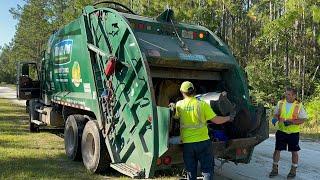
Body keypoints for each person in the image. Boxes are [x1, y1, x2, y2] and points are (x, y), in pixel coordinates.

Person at [169, 81, 235, 180]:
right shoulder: (202, 104)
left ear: (182, 92)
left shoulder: (179, 105)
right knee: (207, 170)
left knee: (190, 172)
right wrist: (228, 118)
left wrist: (172, 108)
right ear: (194, 91)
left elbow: (175, 116)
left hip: (188, 144)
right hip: (203, 142)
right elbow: (216, 120)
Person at [269, 87, 308, 178]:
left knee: (294, 152)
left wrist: (292, 122)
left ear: (294, 95)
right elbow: (276, 114)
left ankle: (293, 171)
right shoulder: (280, 103)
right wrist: (275, 118)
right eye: (286, 94)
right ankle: (274, 169)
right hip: (281, 131)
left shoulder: (299, 105)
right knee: (277, 150)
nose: (287, 96)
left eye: (289, 94)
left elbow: (303, 119)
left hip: (293, 133)